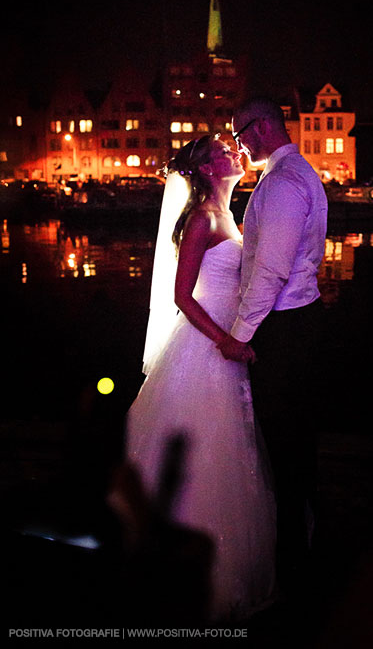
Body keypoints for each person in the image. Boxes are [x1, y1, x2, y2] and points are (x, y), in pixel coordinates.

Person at [126, 134, 276, 623]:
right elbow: (183, 297)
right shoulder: (203, 219)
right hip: (206, 345)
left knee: (232, 451)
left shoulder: (231, 215)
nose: (237, 153)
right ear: (209, 167)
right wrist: (226, 341)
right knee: (208, 452)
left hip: (225, 342)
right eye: (225, 150)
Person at [217, 97, 328, 600]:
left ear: (261, 128)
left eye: (241, 135)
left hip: (284, 327)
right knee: (299, 442)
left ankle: (296, 568)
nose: (239, 145)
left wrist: (239, 334)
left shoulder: (282, 183)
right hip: (302, 320)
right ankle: (306, 546)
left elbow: (270, 269)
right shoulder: (297, 172)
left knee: (286, 446)